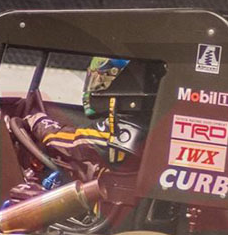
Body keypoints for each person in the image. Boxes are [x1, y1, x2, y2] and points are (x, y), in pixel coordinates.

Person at [19, 57, 148, 182]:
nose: (94, 86)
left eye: (101, 81)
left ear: (122, 84)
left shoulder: (121, 127)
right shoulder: (145, 123)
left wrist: (36, 120)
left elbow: (68, 141)